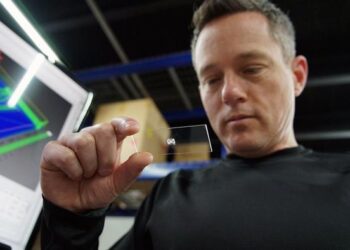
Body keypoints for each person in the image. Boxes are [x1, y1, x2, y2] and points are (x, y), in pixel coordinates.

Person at [40, 0, 350, 249]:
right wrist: (72, 222)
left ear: (297, 75)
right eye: (211, 79)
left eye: (252, 69)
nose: (228, 93)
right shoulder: (169, 195)